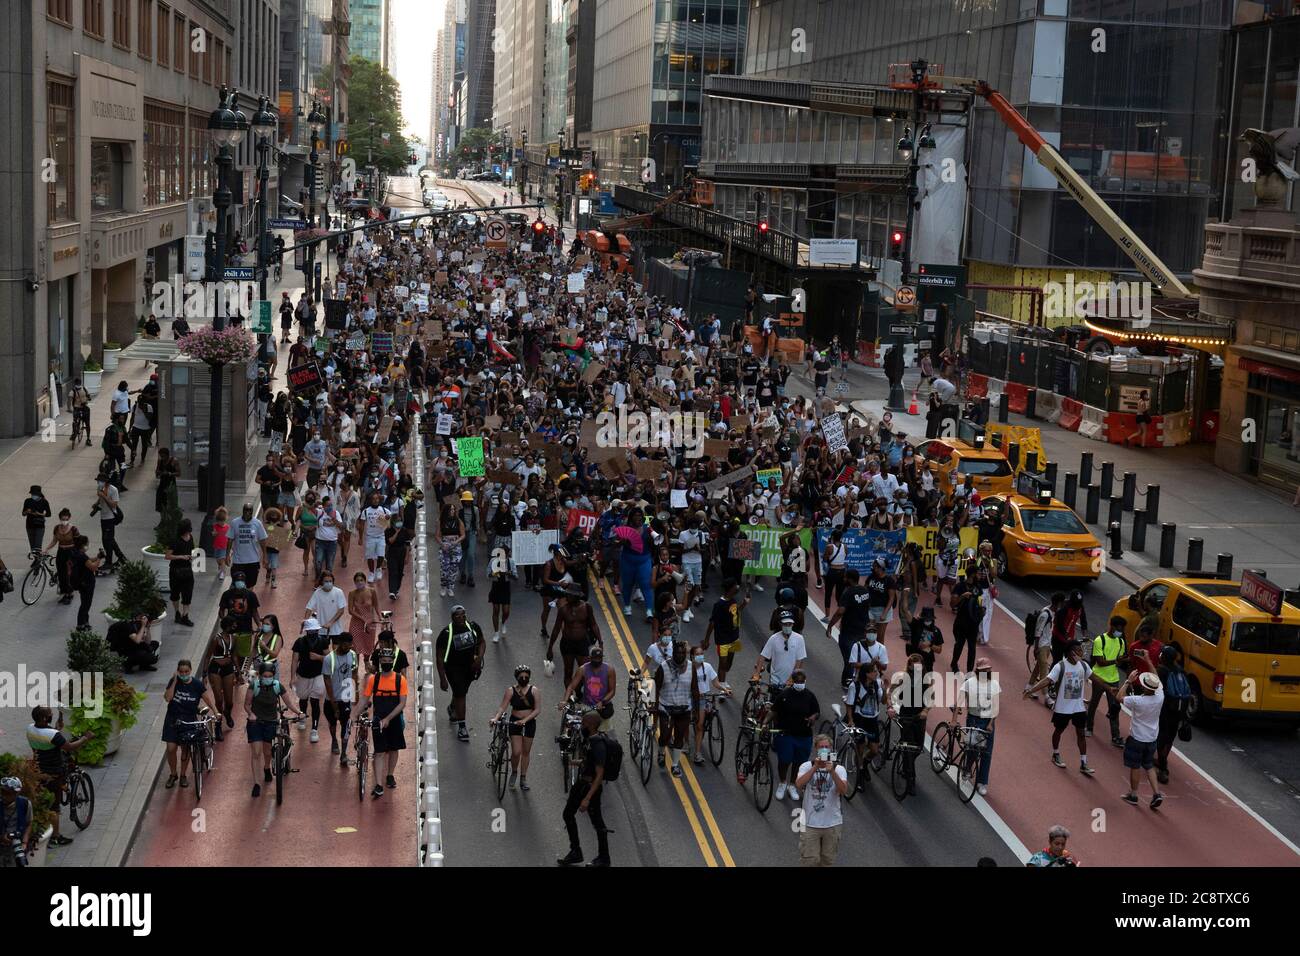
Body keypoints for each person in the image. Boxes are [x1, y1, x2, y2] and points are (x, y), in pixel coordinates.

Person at [1024, 639, 1095, 775]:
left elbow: (1095, 678)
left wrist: (1109, 688)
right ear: (1071, 652)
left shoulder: (1083, 665)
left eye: (1081, 649)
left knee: (1081, 734)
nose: (1081, 652)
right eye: (1078, 650)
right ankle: (1055, 753)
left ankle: (1083, 763)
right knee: (1059, 731)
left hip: (1078, 708)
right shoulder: (1060, 667)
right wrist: (1031, 690)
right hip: (1063, 708)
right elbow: (1047, 680)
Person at [26, 706, 95, 846]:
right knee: (55, 807)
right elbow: (69, 747)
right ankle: (56, 837)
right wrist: (85, 738)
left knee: (42, 799)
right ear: (45, 719)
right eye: (50, 714)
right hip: (53, 772)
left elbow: (47, 737)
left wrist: (57, 728)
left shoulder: (30, 729)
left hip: (38, 768)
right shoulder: (53, 735)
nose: (52, 715)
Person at [557, 710, 612, 867]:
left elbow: (599, 774)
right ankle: (575, 851)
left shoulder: (599, 744)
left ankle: (604, 858)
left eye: (584, 723)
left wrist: (587, 798)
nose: (582, 725)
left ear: (592, 725)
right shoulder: (590, 740)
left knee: (598, 823)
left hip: (590, 788)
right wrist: (574, 762)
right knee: (568, 814)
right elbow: (588, 762)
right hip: (581, 785)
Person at [354, 642, 409, 798]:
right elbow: (364, 700)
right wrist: (353, 715)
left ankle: (390, 774)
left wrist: (389, 718)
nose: (385, 663)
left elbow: (402, 703)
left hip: (395, 720)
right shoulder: (373, 679)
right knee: (379, 752)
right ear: (379, 662)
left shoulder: (400, 680)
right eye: (383, 660)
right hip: (378, 720)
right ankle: (378, 784)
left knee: (394, 749)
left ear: (392, 662)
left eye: (388, 660)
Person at [243, 659, 302, 798]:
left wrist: (299, 713)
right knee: (256, 752)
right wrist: (251, 714)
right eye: (265, 676)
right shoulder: (254, 686)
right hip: (256, 723)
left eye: (270, 676)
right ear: (260, 675)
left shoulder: (277, 687)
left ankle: (267, 767)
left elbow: (289, 702)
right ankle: (257, 784)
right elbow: (246, 704)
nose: (267, 678)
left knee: (267, 751)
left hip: (271, 722)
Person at [160, 659, 219, 789]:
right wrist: (175, 680)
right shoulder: (174, 682)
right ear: (178, 671)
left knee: (186, 749)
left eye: (186, 671)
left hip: (188, 719)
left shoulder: (197, 685)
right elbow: (167, 698)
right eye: (181, 672)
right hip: (172, 719)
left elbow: (207, 699)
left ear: (190, 671)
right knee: (171, 748)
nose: (184, 674)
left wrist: (216, 712)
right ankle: (173, 774)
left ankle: (183, 775)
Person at [794, 733, 849, 866]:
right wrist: (815, 768)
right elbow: (799, 784)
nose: (824, 749)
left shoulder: (839, 769)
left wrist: (832, 772)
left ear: (831, 749)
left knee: (827, 861)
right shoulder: (806, 766)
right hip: (810, 824)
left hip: (832, 824)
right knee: (809, 861)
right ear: (816, 749)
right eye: (821, 747)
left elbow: (843, 790)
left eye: (827, 746)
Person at [1116, 670, 1166, 809]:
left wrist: (1128, 681)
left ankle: (1133, 794)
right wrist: (1148, 661)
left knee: (1135, 766)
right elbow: (1158, 681)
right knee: (1149, 765)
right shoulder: (1160, 697)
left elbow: (1119, 697)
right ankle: (1157, 793)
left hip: (1137, 738)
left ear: (1144, 687)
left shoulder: (1137, 701)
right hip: (1151, 738)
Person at [436, 604, 485, 743]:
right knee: (461, 693)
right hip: (453, 668)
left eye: (463, 614)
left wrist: (479, 658)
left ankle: (452, 707)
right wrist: (442, 678)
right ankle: (462, 727)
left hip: (470, 667)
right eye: (457, 615)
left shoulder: (473, 627)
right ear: (452, 617)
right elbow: (439, 656)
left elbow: (482, 642)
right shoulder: (446, 633)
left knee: (461, 692)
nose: (461, 617)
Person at [771, 669, 819, 801]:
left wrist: (812, 718)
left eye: (802, 681)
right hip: (786, 734)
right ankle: (782, 783)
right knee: (785, 760)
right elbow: (774, 711)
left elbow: (816, 712)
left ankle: (792, 784)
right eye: (797, 681)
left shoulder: (810, 696)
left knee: (799, 762)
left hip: (804, 736)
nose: (800, 683)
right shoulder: (784, 695)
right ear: (792, 681)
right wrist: (766, 723)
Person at [493, 664, 541, 791]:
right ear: (517, 677)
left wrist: (525, 720)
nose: (524, 678)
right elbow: (502, 707)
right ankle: (514, 772)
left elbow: (537, 710)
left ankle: (523, 778)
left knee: (526, 752)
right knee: (516, 752)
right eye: (521, 676)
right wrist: (496, 718)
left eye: (526, 676)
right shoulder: (510, 691)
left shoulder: (534, 690)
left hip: (529, 723)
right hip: (515, 723)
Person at [956, 657, 1000, 796]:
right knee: (972, 748)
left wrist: (990, 724)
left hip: (987, 721)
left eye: (988, 669)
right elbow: (960, 701)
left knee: (986, 753)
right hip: (973, 720)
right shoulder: (969, 683)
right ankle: (967, 768)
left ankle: (982, 782)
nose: (986, 671)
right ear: (978, 670)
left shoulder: (994, 684)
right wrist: (954, 719)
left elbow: (995, 706)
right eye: (983, 669)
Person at [1087, 615, 1129, 748]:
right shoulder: (1100, 640)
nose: (1120, 631)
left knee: (1114, 707)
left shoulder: (1121, 642)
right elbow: (1100, 661)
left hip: (1114, 678)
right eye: (1118, 628)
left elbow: (1120, 658)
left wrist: (1125, 660)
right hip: (1099, 677)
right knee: (1094, 702)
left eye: (1122, 629)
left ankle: (1115, 736)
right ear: (1112, 626)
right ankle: (1089, 727)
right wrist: (1116, 661)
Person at [653, 640, 694, 776]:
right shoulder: (663, 667)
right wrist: (655, 707)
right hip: (666, 707)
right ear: (673, 653)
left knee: (679, 737)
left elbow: (695, 690)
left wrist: (697, 712)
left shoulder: (691, 667)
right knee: (665, 735)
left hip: (684, 708)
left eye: (683, 653)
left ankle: (675, 765)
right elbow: (656, 687)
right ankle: (661, 752)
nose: (680, 655)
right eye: (678, 652)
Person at [548, 587, 602, 687]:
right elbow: (556, 629)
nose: (567, 597)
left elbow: (594, 624)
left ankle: (577, 690)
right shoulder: (563, 610)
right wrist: (550, 647)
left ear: (576, 597)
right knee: (568, 671)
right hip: (567, 644)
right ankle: (569, 698)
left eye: (570, 595)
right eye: (567, 595)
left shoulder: (587, 607)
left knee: (583, 671)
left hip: (582, 643)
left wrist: (600, 641)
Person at [826, 568, 871, 687]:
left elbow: (840, 611)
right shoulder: (864, 591)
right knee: (858, 656)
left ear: (850, 579)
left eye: (845, 577)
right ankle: (855, 680)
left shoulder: (848, 593)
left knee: (849, 659)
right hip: (862, 631)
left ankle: (848, 682)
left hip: (849, 631)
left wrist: (830, 625)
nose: (843, 579)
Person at [844, 661, 886, 785]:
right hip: (860, 719)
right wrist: (851, 720)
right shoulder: (855, 686)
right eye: (874, 671)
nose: (876, 673)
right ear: (867, 674)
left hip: (872, 719)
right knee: (860, 749)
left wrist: (886, 690)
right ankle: (860, 772)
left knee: (874, 750)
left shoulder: (877, 684)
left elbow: (883, 701)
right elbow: (850, 704)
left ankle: (865, 763)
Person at [1155, 645, 1191, 785]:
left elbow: (1156, 689)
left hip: (1165, 709)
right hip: (1178, 710)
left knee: (1160, 737)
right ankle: (1163, 759)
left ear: (1163, 656)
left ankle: (1163, 767)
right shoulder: (1181, 671)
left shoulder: (1162, 671)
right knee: (1170, 737)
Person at [291, 620, 331, 743]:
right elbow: (294, 660)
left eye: (315, 630)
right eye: (310, 630)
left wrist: (318, 657)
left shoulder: (323, 641)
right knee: (303, 698)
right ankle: (302, 716)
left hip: (318, 675)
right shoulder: (299, 642)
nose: (312, 632)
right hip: (302, 675)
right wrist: (292, 677)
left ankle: (314, 729)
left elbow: (329, 658)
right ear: (306, 631)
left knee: (315, 701)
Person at [702, 578, 747, 686]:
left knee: (727, 665)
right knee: (723, 664)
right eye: (735, 585)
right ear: (730, 588)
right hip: (722, 639)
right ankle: (722, 687)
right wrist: (706, 640)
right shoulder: (719, 605)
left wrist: (744, 604)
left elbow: (736, 611)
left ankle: (722, 680)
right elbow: (712, 623)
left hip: (734, 638)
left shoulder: (733, 600)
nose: (737, 587)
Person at [689, 643, 729, 763]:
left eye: (702, 654)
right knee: (697, 724)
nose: (700, 656)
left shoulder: (707, 667)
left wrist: (724, 689)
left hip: (705, 697)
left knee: (701, 724)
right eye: (697, 654)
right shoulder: (688, 668)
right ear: (692, 656)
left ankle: (697, 751)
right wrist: (695, 693)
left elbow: (715, 683)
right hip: (692, 698)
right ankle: (694, 751)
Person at [322, 633, 358, 765]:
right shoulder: (329, 659)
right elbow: (327, 681)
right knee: (332, 724)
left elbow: (354, 672)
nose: (348, 647)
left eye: (350, 644)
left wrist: (356, 692)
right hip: (332, 699)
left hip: (346, 698)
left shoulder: (352, 655)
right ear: (339, 643)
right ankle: (334, 739)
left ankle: (343, 753)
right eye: (346, 644)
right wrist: (334, 705)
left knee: (345, 725)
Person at [218, 572, 262, 679]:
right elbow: (221, 610)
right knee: (230, 653)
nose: (240, 582)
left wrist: (259, 625)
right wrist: (224, 622)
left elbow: (255, 612)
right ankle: (234, 672)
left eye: (242, 580)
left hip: (246, 630)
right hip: (231, 631)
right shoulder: (227, 594)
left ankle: (238, 671)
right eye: (238, 580)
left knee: (242, 654)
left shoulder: (251, 595)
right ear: (234, 581)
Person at [754, 611, 807, 689]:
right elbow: (762, 656)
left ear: (793, 624)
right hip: (775, 680)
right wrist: (757, 674)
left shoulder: (799, 639)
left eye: (790, 624)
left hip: (791, 682)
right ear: (780, 624)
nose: (787, 626)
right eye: (785, 624)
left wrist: (792, 678)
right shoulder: (774, 639)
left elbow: (800, 660)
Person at [1026, 592, 1063, 703]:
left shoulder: (1053, 613)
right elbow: (1038, 631)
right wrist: (1036, 648)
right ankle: (1046, 696)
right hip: (1041, 645)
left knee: (1038, 667)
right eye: (1061, 604)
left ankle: (1029, 687)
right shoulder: (1045, 614)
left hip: (1047, 644)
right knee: (1044, 670)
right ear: (1057, 603)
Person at [164, 518, 197, 626]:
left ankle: (185, 615)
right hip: (175, 571)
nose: (189, 532)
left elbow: (191, 549)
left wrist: (191, 557)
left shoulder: (190, 538)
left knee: (188, 594)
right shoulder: (175, 540)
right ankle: (177, 612)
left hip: (187, 570)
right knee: (175, 594)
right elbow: (167, 556)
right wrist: (181, 557)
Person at [206, 624, 238, 735]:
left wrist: (238, 672)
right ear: (226, 625)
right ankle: (218, 725)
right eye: (233, 625)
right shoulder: (216, 639)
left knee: (229, 701)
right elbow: (207, 656)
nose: (235, 626)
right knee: (219, 699)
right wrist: (204, 673)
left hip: (228, 669)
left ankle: (227, 713)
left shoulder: (233, 639)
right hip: (215, 669)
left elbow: (234, 656)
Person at [342, 570, 380, 664]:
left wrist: (380, 616)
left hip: (370, 622)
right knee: (355, 646)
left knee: (369, 643)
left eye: (361, 580)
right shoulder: (352, 593)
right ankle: (356, 666)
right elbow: (350, 610)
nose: (359, 582)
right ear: (354, 582)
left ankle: (366, 661)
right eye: (357, 581)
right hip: (356, 623)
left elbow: (376, 605)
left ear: (365, 580)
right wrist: (362, 618)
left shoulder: (372, 591)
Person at [67, 535, 103, 630]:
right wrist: (99, 559)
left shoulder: (75, 552)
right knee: (86, 604)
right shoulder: (82, 556)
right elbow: (93, 567)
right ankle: (80, 624)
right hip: (87, 582)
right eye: (87, 544)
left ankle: (85, 622)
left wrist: (97, 557)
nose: (88, 545)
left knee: (85, 602)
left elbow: (88, 561)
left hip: (80, 582)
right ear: (83, 545)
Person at [227, 502, 268, 586]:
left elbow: (262, 540)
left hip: (253, 560)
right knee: (238, 585)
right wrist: (227, 555)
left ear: (252, 512)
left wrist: (265, 556)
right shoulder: (235, 523)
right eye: (245, 510)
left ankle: (246, 598)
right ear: (243, 511)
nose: (247, 513)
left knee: (250, 584)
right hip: (238, 561)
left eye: (249, 511)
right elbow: (230, 539)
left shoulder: (257, 523)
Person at [45, 508, 79, 604]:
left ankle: (70, 593)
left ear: (69, 518)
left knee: (68, 574)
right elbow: (54, 540)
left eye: (66, 519)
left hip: (70, 552)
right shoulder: (57, 528)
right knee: (61, 574)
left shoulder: (73, 529)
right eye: (63, 519)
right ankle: (64, 592)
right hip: (61, 552)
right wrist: (47, 549)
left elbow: (78, 542)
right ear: (60, 519)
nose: (64, 521)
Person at [0, 776, 34, 865]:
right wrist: (2, 837)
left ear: (16, 793)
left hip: (17, 845)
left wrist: (24, 842)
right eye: (2, 792)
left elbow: (29, 823)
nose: (3, 795)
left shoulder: (25, 803)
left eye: (7, 793)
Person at [21, 485, 51, 556]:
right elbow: (23, 513)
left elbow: (49, 514)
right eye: (32, 494)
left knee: (37, 546)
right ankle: (36, 561)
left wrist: (39, 514)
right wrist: (27, 512)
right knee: (33, 547)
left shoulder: (44, 502)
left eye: (34, 494)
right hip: (29, 525)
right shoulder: (27, 501)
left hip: (39, 525)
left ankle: (37, 563)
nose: (33, 495)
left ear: (39, 494)